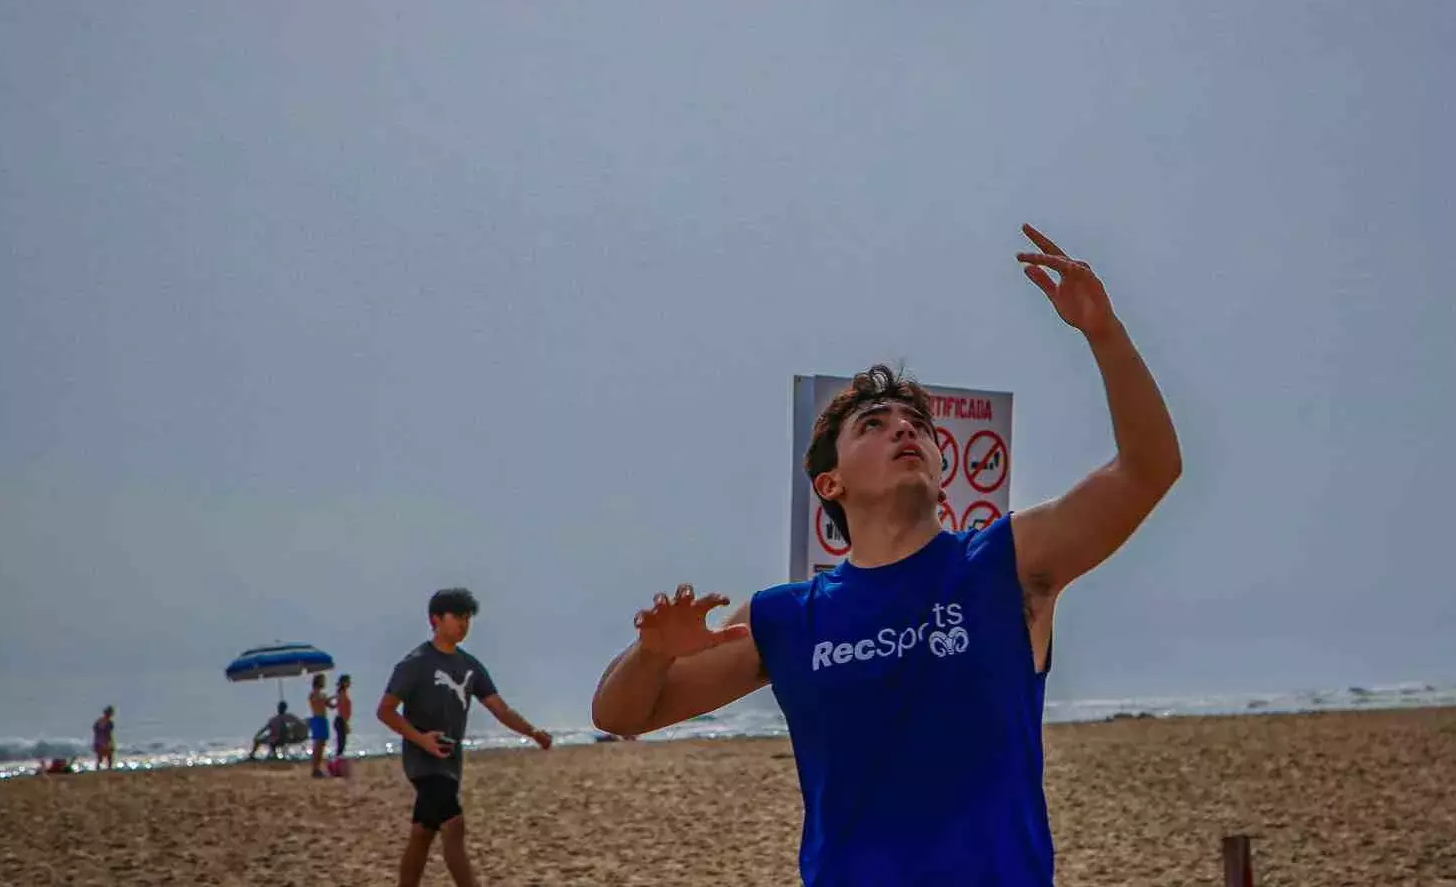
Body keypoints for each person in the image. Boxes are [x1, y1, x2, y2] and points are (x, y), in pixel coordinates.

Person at [590, 225, 1184, 885]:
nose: (905, 429)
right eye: (872, 425)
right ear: (830, 484)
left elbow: (1148, 470)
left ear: (939, 468)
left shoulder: (1005, 563)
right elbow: (621, 715)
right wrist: (653, 653)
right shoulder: (785, 619)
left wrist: (1104, 334)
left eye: (919, 427)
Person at [379, 588, 554, 887]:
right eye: (457, 617)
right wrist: (422, 740)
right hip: (423, 763)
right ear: (435, 619)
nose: (463, 623)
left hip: (450, 762)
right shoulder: (416, 663)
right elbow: (386, 711)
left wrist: (532, 732)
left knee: (423, 833)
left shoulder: (469, 666)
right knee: (454, 824)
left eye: (467, 618)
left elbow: (499, 708)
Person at [308, 673, 332, 777]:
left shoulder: (321, 694)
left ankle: (317, 768)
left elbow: (330, 705)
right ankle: (315, 769)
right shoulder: (314, 694)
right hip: (318, 719)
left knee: (321, 745)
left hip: (322, 719)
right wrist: (327, 699)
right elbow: (318, 702)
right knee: (318, 745)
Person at [330, 674, 354, 761]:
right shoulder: (342, 693)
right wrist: (345, 723)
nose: (350, 683)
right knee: (341, 742)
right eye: (348, 681)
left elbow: (336, 705)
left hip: (341, 720)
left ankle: (338, 760)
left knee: (341, 742)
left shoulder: (341, 693)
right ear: (344, 683)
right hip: (341, 720)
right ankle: (337, 762)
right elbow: (341, 710)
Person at [91, 706, 115, 771]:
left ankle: (98, 768)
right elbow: (108, 734)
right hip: (103, 741)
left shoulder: (99, 721)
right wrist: (110, 742)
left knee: (100, 757)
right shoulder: (109, 723)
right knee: (109, 756)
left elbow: (95, 730)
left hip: (98, 741)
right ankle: (109, 769)